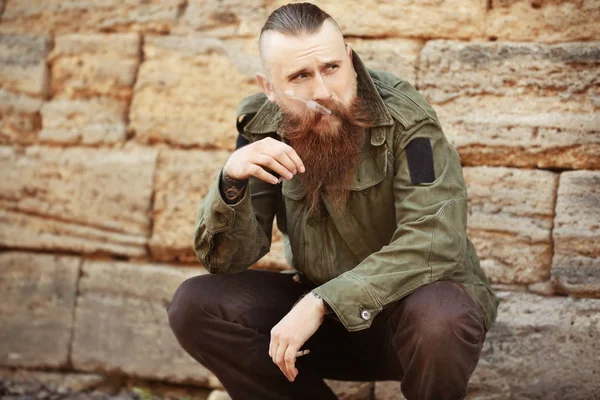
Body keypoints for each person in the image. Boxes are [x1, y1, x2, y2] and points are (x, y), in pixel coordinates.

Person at [167, 3, 499, 399]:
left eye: (332, 68)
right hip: (324, 324)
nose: (322, 91)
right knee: (195, 304)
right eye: (300, 76)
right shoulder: (262, 129)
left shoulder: (409, 123)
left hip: (408, 321)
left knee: (442, 314)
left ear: (351, 59)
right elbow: (227, 259)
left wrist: (322, 302)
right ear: (269, 88)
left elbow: (435, 239)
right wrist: (231, 182)